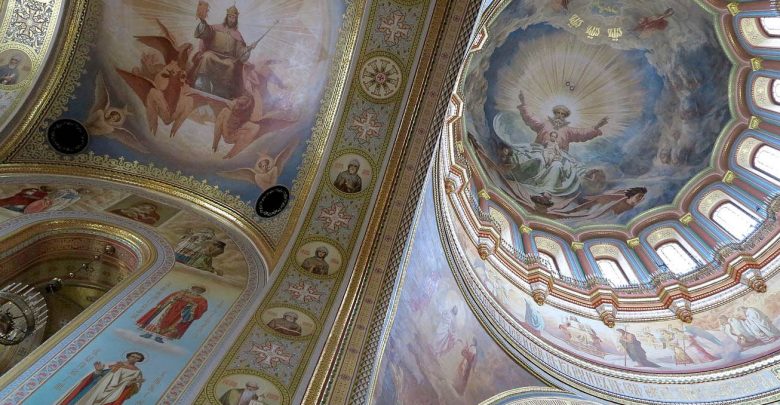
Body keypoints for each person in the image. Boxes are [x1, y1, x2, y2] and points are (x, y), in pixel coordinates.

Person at [191, 4, 252, 99]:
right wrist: (203, 22)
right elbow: (206, 33)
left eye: (234, 18)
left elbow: (241, 52)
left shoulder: (237, 35)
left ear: (236, 19)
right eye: (230, 17)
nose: (231, 19)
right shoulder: (216, 28)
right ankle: (202, 83)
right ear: (227, 17)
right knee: (207, 57)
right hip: (212, 53)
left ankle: (222, 91)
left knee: (231, 65)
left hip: (228, 59)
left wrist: (248, 49)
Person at [57, 352, 145, 405]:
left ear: (139, 360)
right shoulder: (115, 363)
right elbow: (97, 376)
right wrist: (98, 371)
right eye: (133, 356)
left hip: (114, 392)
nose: (134, 359)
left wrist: (131, 384)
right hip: (98, 387)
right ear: (128, 356)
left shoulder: (137, 372)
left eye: (137, 358)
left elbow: (134, 388)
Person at [136, 286, 208, 343]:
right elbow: (171, 297)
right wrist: (176, 298)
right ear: (193, 289)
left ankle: (159, 338)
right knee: (158, 321)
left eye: (199, 290)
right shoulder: (182, 292)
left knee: (171, 325)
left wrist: (192, 304)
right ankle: (148, 334)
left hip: (181, 314)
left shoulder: (201, 300)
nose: (197, 291)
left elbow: (202, 308)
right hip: (170, 309)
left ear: (201, 292)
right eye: (196, 289)